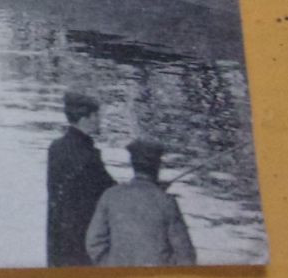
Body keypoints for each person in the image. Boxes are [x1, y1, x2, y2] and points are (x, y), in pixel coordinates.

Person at [86, 140, 197, 267]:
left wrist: (110, 265)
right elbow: (185, 254)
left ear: (133, 165)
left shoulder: (110, 195)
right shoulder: (166, 201)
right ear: (157, 166)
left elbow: (93, 243)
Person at [46, 90, 116, 267]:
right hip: (81, 238)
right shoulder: (89, 156)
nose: (99, 120)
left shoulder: (55, 148)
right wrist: (145, 187)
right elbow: (111, 192)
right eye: (96, 116)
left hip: (57, 236)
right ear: (85, 119)